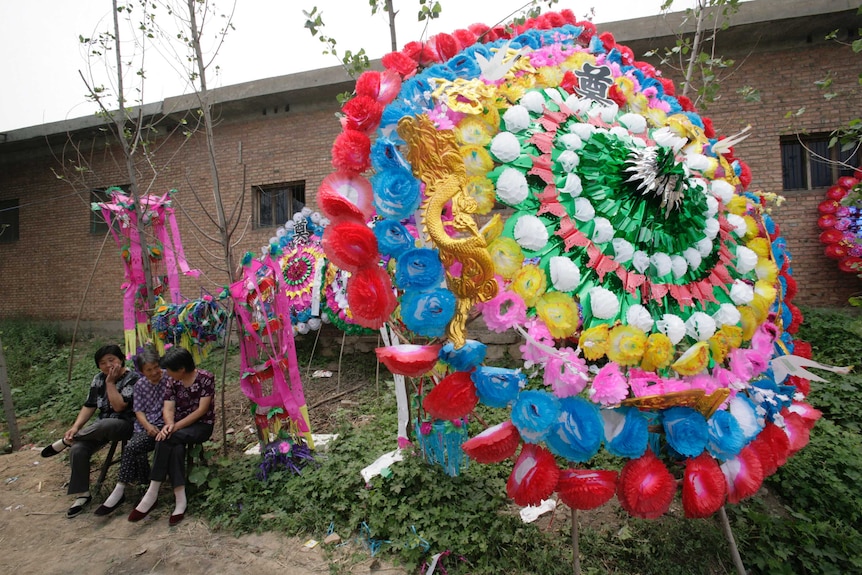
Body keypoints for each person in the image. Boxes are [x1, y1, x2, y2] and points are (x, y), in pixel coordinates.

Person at [41, 344, 139, 518]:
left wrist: (110, 383)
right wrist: (75, 427)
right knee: (78, 449)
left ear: (121, 359)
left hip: (125, 425)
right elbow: (90, 405)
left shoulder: (132, 378)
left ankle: (66, 441)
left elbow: (119, 407)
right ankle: (82, 494)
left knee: (105, 424)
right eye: (102, 363)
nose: (108, 365)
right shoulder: (98, 379)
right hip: (99, 427)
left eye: (112, 360)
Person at [129, 346, 215, 526]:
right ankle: (179, 496)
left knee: (166, 438)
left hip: (200, 426)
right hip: (177, 427)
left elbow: (201, 410)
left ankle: (152, 493)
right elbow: (168, 407)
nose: (164, 373)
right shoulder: (173, 381)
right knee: (170, 441)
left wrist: (174, 427)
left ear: (181, 369)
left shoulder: (205, 378)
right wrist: (168, 425)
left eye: (168, 369)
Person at [94, 346, 166, 516]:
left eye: (156, 367)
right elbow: (138, 411)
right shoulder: (140, 384)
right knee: (136, 446)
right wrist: (147, 426)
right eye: (149, 370)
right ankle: (143, 490)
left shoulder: (169, 379)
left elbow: (171, 408)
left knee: (133, 446)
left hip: (164, 425)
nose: (155, 372)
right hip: (146, 426)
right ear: (142, 371)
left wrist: (160, 425)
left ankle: (121, 491)